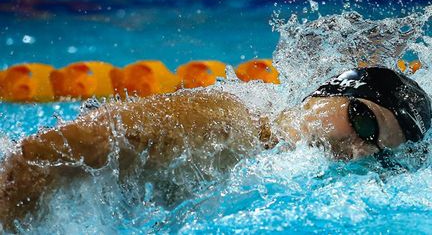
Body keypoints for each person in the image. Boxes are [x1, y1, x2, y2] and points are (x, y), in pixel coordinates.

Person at [0, 66, 430, 230]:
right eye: (362, 121)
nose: (357, 150)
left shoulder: (264, 160)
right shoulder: (222, 126)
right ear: (327, 92)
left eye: (378, 152)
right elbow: (38, 157)